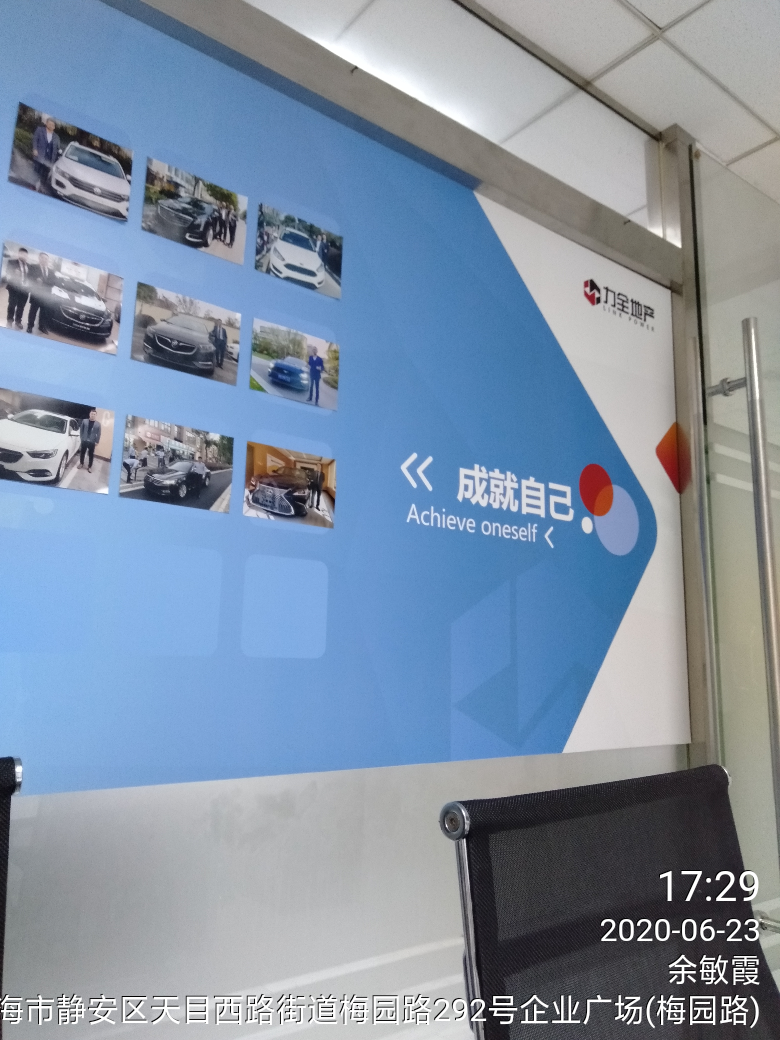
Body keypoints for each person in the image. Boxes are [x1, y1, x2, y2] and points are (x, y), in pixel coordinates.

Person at [26, 252, 57, 335]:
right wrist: (36, 280)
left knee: (44, 312)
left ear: (48, 260)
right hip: (36, 294)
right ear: (39, 258)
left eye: (46, 259)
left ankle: (41, 326)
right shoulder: (33, 267)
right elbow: (30, 277)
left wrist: (42, 282)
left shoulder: (51, 271)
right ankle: (30, 326)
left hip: (46, 295)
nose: (44, 260)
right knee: (33, 311)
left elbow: (53, 282)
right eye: (42, 258)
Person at [31, 117, 60, 193]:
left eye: (52, 125)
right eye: (49, 124)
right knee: (36, 172)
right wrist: (35, 149)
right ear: (46, 124)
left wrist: (54, 160)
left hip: (49, 159)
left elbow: (57, 149)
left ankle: (40, 189)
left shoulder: (56, 137)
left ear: (54, 127)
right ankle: (33, 187)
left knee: (44, 175)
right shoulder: (39, 130)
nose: (51, 126)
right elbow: (35, 140)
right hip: (39, 156)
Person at [5, 246, 31, 329]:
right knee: (12, 304)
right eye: (22, 254)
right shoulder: (12, 262)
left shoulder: (29, 266)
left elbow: (31, 278)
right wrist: (14, 272)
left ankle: (18, 321)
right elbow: (7, 273)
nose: (24, 256)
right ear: (19, 254)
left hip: (25, 290)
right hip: (14, 288)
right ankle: (9, 320)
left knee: (21, 306)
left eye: (25, 255)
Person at [78, 409, 101, 473]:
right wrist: (81, 437)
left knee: (91, 455)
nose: (93, 415)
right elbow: (81, 430)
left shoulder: (98, 424)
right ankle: (81, 463)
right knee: (82, 452)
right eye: (92, 414)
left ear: (96, 415)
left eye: (94, 414)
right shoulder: (84, 421)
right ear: (89, 414)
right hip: (84, 440)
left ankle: (90, 467)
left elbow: (99, 433)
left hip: (92, 441)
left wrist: (97, 441)